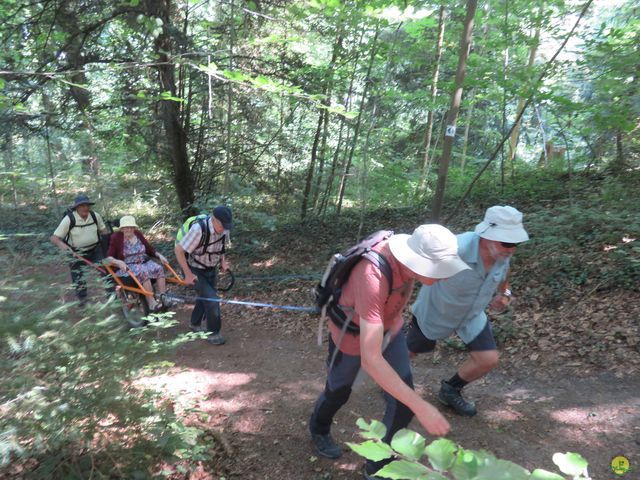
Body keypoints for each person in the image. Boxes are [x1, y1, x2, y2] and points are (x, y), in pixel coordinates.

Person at [308, 224, 470, 480]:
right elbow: (370, 359)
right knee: (338, 390)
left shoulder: (408, 267)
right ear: (418, 261)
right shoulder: (371, 275)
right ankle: (318, 427)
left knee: (404, 402)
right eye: (439, 270)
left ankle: (379, 465)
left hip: (389, 329)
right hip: (350, 335)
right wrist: (423, 406)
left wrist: (412, 400)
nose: (445, 277)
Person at [406, 206, 529, 417]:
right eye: (507, 242)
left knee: (487, 359)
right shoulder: (455, 248)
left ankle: (450, 390)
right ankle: (392, 382)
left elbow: (505, 271)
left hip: (472, 315)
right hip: (436, 311)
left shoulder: (502, 253)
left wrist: (504, 293)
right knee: (409, 352)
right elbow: (414, 267)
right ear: (487, 236)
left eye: (515, 243)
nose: (511, 249)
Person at [174, 205, 232, 346]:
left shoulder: (225, 229)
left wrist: (223, 262)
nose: (224, 229)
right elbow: (179, 250)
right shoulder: (198, 230)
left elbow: (222, 247)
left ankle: (194, 324)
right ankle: (213, 333)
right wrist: (187, 274)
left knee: (204, 297)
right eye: (222, 225)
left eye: (226, 226)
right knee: (212, 299)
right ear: (214, 219)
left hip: (211, 268)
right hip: (194, 269)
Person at [50, 194, 109, 304]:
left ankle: (112, 295)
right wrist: (67, 249)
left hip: (95, 249)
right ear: (76, 207)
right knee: (78, 275)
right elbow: (54, 238)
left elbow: (104, 231)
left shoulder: (95, 216)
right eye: (82, 206)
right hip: (76, 252)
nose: (85, 208)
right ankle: (83, 299)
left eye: (87, 205)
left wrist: (109, 245)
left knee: (107, 270)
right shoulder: (69, 219)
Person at [104, 215, 170, 312]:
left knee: (158, 268)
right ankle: (152, 303)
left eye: (131, 227)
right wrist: (118, 262)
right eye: (126, 227)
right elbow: (109, 257)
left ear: (134, 228)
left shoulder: (138, 234)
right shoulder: (116, 237)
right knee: (143, 271)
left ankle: (164, 298)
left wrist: (159, 255)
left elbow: (149, 249)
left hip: (143, 262)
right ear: (122, 228)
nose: (129, 229)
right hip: (127, 266)